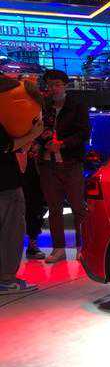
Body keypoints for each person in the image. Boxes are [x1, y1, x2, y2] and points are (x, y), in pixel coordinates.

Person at [38, 69, 90, 263]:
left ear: (65, 86)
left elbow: (83, 133)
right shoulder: (44, 107)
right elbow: (35, 130)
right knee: (54, 208)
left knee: (78, 207)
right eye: (50, 85)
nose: (53, 89)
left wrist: (63, 144)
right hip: (48, 164)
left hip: (71, 163)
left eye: (57, 85)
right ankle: (58, 249)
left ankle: (82, 247)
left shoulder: (76, 106)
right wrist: (42, 141)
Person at [0, 76, 44, 294]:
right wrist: (33, 134)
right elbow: (6, 146)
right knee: (11, 231)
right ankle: (6, 278)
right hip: (6, 183)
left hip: (7, 181)